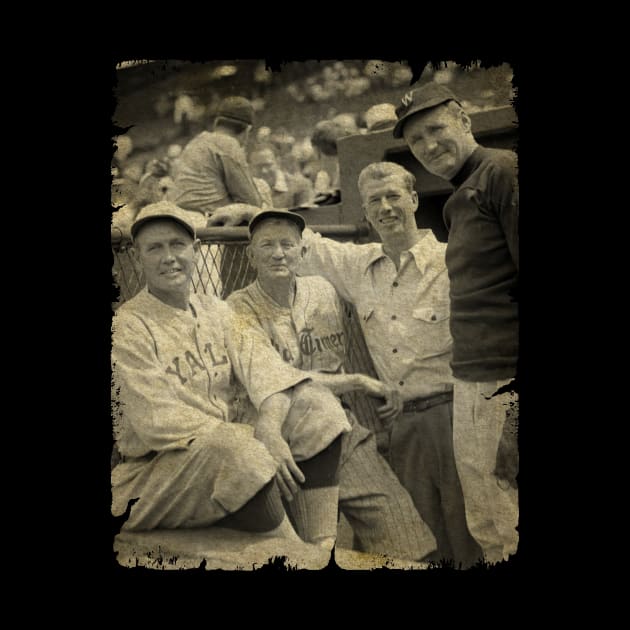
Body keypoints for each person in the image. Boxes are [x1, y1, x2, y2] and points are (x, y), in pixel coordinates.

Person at [111, 201, 352, 552]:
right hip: (152, 477)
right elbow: (156, 423)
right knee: (241, 450)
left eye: (177, 245)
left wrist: (269, 428)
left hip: (221, 455)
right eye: (155, 248)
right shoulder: (126, 327)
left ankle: (322, 545)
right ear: (138, 256)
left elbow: (270, 373)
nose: (169, 257)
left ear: (195, 250)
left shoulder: (217, 310)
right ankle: (297, 551)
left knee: (317, 406)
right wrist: (253, 439)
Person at [227, 209, 438, 562]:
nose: (278, 253)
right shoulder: (238, 306)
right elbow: (277, 379)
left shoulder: (323, 291)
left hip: (341, 429)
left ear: (302, 252)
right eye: (267, 245)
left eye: (287, 244)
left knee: (404, 532)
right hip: (281, 440)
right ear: (251, 255)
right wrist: (356, 381)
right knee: (309, 550)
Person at [393, 81, 519, 564]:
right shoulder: (457, 198)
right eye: (416, 140)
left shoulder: (502, 171)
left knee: (504, 518)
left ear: (464, 120)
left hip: (503, 377)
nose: (428, 146)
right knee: (487, 517)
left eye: (436, 129)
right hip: (472, 376)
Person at [167, 95, 264, 229]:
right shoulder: (228, 143)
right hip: (206, 225)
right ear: (247, 130)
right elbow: (251, 200)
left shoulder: (195, 141)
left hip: (175, 220)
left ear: (216, 123)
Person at [249, 145, 315, 209]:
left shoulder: (301, 185)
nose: (264, 171)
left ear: (278, 162)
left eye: (267, 165)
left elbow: (307, 217)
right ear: (250, 167)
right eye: (258, 166)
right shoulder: (249, 190)